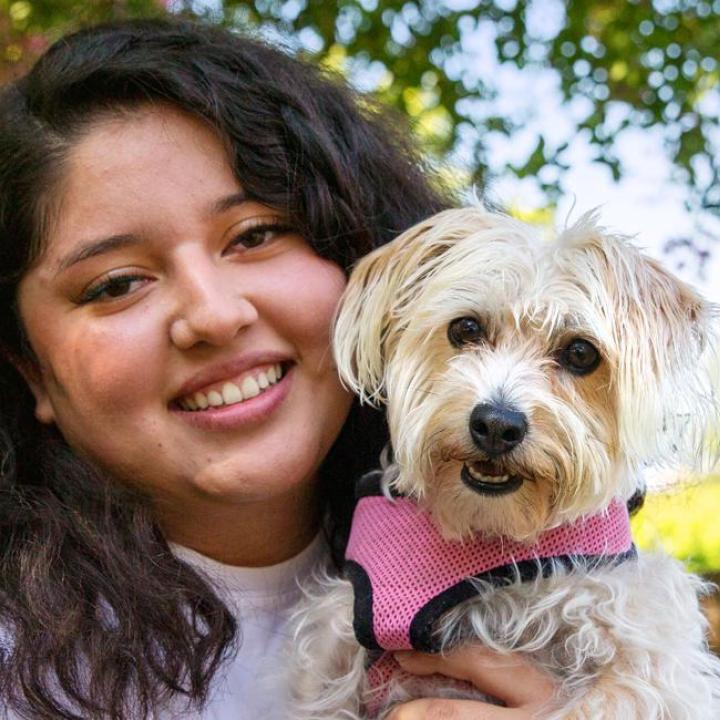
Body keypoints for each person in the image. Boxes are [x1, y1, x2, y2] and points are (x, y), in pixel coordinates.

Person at [0, 18, 556, 720]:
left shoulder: (569, 604)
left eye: (256, 235)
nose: (213, 314)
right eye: (116, 284)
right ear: (30, 370)